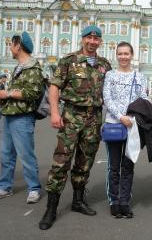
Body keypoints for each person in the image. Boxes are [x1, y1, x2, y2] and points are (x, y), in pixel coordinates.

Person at [39, 26, 112, 230]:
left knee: (85, 161)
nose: (92, 41)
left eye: (96, 39)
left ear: (100, 42)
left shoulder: (104, 64)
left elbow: (110, 92)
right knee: (61, 161)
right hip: (72, 116)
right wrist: (54, 112)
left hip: (94, 118)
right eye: (89, 37)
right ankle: (51, 208)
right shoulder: (68, 61)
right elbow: (55, 87)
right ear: (83, 39)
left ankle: (78, 200)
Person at [0, 32, 43, 204]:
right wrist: (4, 95)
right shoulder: (19, 66)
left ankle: (34, 188)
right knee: (6, 155)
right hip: (10, 115)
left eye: (11, 44)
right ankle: (4, 187)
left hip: (23, 117)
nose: (9, 48)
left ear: (18, 46)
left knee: (26, 155)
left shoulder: (33, 67)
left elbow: (34, 93)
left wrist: (8, 93)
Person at [103, 41, 148, 218]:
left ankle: (125, 201)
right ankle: (114, 201)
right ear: (117, 55)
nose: (123, 57)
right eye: (120, 54)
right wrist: (121, 116)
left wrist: (133, 117)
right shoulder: (110, 75)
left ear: (132, 55)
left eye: (126, 53)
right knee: (113, 166)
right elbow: (107, 98)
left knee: (128, 165)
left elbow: (144, 98)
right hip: (114, 124)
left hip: (132, 127)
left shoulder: (140, 77)